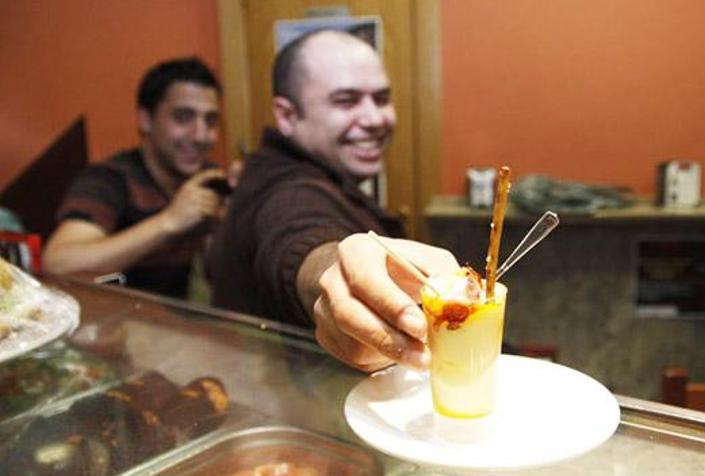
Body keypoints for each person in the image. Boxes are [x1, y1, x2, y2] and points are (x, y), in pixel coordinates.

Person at [209, 30, 459, 372]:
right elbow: (298, 235)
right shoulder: (286, 188)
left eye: (382, 98)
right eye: (346, 101)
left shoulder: (300, 170)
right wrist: (339, 274)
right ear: (286, 115)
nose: (375, 119)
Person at [44, 57, 232, 299]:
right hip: (115, 329)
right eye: (183, 117)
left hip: (181, 329)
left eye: (211, 120)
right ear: (145, 119)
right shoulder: (109, 179)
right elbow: (58, 263)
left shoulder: (209, 179)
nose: (200, 135)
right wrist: (170, 221)